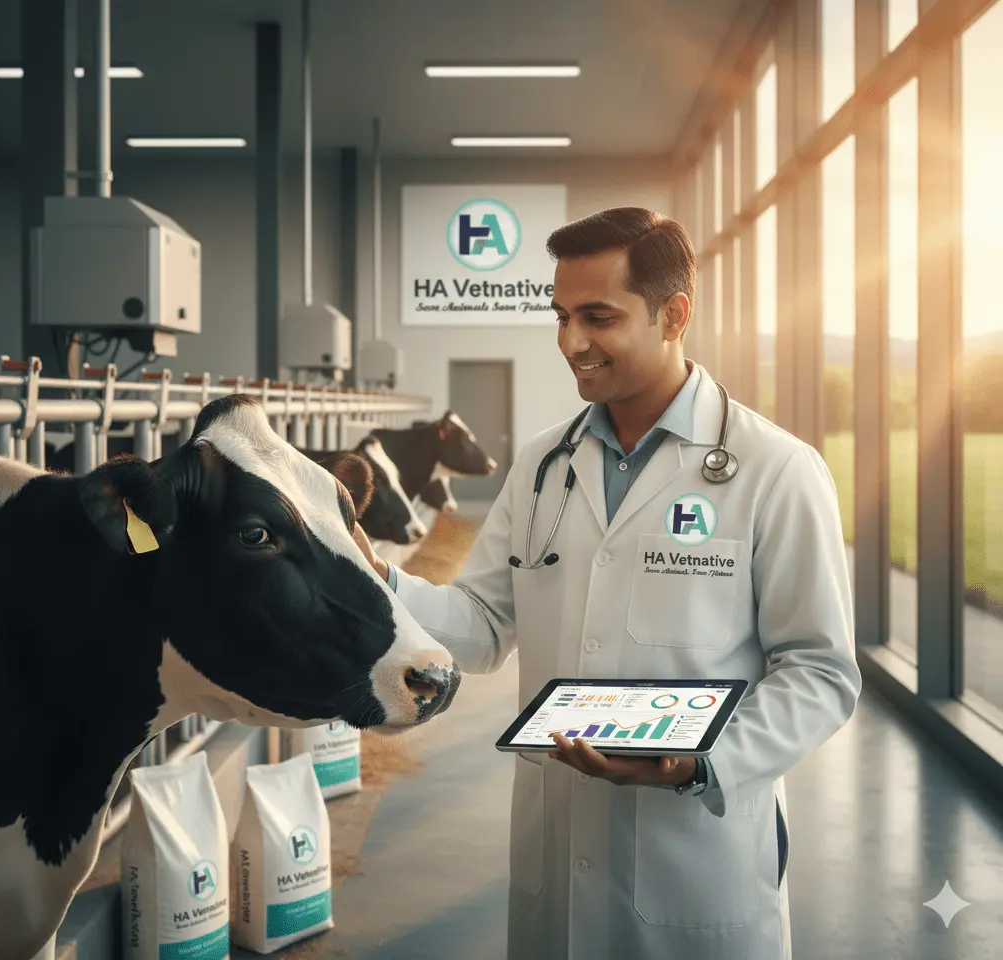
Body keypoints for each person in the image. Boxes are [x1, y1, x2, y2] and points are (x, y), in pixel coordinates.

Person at [351, 207, 861, 960]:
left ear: (674, 314)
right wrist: (374, 578)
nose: (571, 343)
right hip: (559, 848)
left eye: (598, 317)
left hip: (697, 858)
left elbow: (820, 673)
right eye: (560, 317)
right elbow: (484, 624)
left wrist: (698, 762)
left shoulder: (775, 471)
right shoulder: (542, 465)